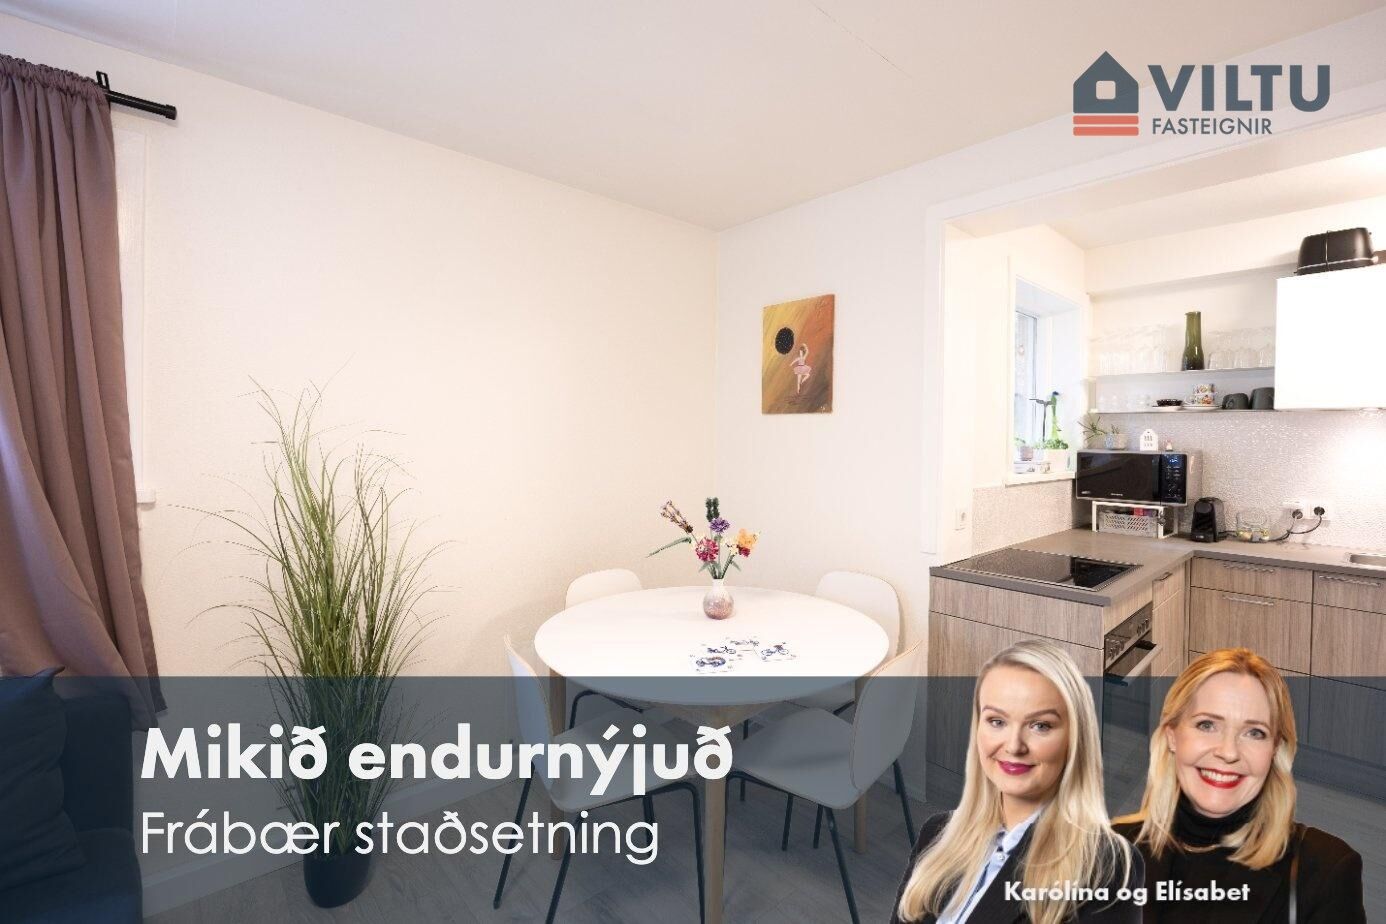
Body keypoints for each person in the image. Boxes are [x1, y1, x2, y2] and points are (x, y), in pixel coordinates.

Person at [893, 639, 1141, 924]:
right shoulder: (936, 834)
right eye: (997, 721)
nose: (1014, 745)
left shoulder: (1108, 870)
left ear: (1075, 738)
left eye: (1040, 725)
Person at [1113, 648, 1365, 922]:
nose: (1228, 752)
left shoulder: (1326, 872)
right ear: (1172, 736)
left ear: (1275, 749)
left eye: (1254, 732)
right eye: (1207, 725)